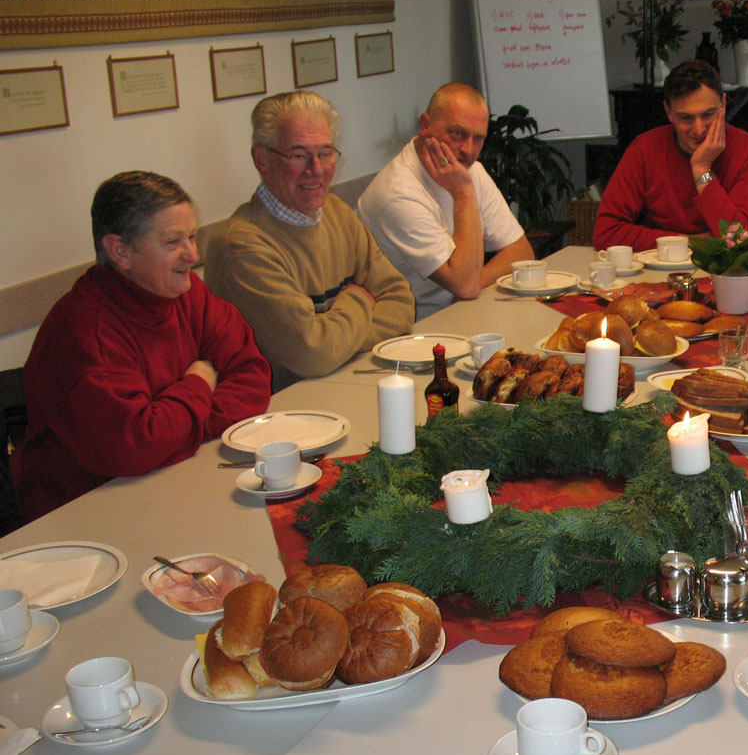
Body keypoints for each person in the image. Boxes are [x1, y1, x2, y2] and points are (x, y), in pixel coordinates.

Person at [12, 172, 272, 522]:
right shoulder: (83, 331)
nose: (192, 255)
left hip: (173, 478)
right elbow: (135, 447)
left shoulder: (186, 291)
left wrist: (178, 429)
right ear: (120, 251)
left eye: (192, 237)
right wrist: (198, 384)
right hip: (86, 513)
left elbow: (253, 376)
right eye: (172, 242)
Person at [203, 90, 414, 389]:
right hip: (280, 415)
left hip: (342, 384)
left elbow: (401, 301)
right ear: (261, 159)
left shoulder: (337, 213)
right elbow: (313, 353)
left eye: (326, 153)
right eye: (299, 155)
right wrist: (359, 299)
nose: (316, 168)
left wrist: (336, 343)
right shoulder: (240, 246)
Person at [359, 83, 533, 319]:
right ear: (425, 125)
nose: (468, 150)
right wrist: (464, 193)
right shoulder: (397, 193)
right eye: (457, 133)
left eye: (478, 138)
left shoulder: (468, 170)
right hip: (415, 327)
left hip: (459, 310)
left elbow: (520, 251)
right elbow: (464, 285)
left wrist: (475, 281)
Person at [592, 59, 748, 251]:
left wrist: (702, 170)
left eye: (708, 114)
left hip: (726, 273)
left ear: (723, 105)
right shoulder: (645, 148)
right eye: (686, 118)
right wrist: (690, 241)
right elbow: (605, 232)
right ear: (669, 112)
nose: (699, 129)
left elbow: (740, 241)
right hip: (656, 268)